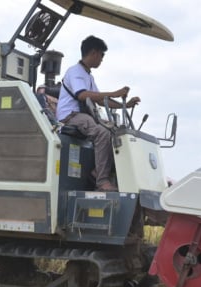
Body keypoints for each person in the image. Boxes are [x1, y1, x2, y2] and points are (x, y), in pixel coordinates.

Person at [56, 35, 140, 192]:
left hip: (83, 116)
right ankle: (101, 181)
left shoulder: (88, 76)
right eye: (102, 55)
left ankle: (99, 171)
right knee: (102, 133)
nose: (102, 59)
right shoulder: (75, 72)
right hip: (71, 116)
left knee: (115, 132)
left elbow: (101, 101)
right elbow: (82, 95)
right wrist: (115, 93)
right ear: (94, 53)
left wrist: (126, 105)